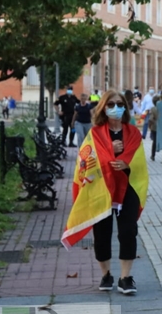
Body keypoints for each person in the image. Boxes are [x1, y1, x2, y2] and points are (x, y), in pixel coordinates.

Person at [61, 90, 149, 295]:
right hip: (101, 188)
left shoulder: (133, 133)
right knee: (102, 234)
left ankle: (126, 278)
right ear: (103, 108)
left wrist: (125, 161)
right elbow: (85, 162)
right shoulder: (96, 134)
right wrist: (111, 150)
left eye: (119, 104)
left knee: (128, 232)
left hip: (129, 188)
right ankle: (106, 274)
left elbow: (139, 162)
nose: (115, 108)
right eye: (110, 104)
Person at [148, 95, 161, 161]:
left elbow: (151, 119)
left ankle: (153, 155)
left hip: (154, 127)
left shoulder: (153, 109)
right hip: (161, 126)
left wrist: (149, 125)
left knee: (154, 142)